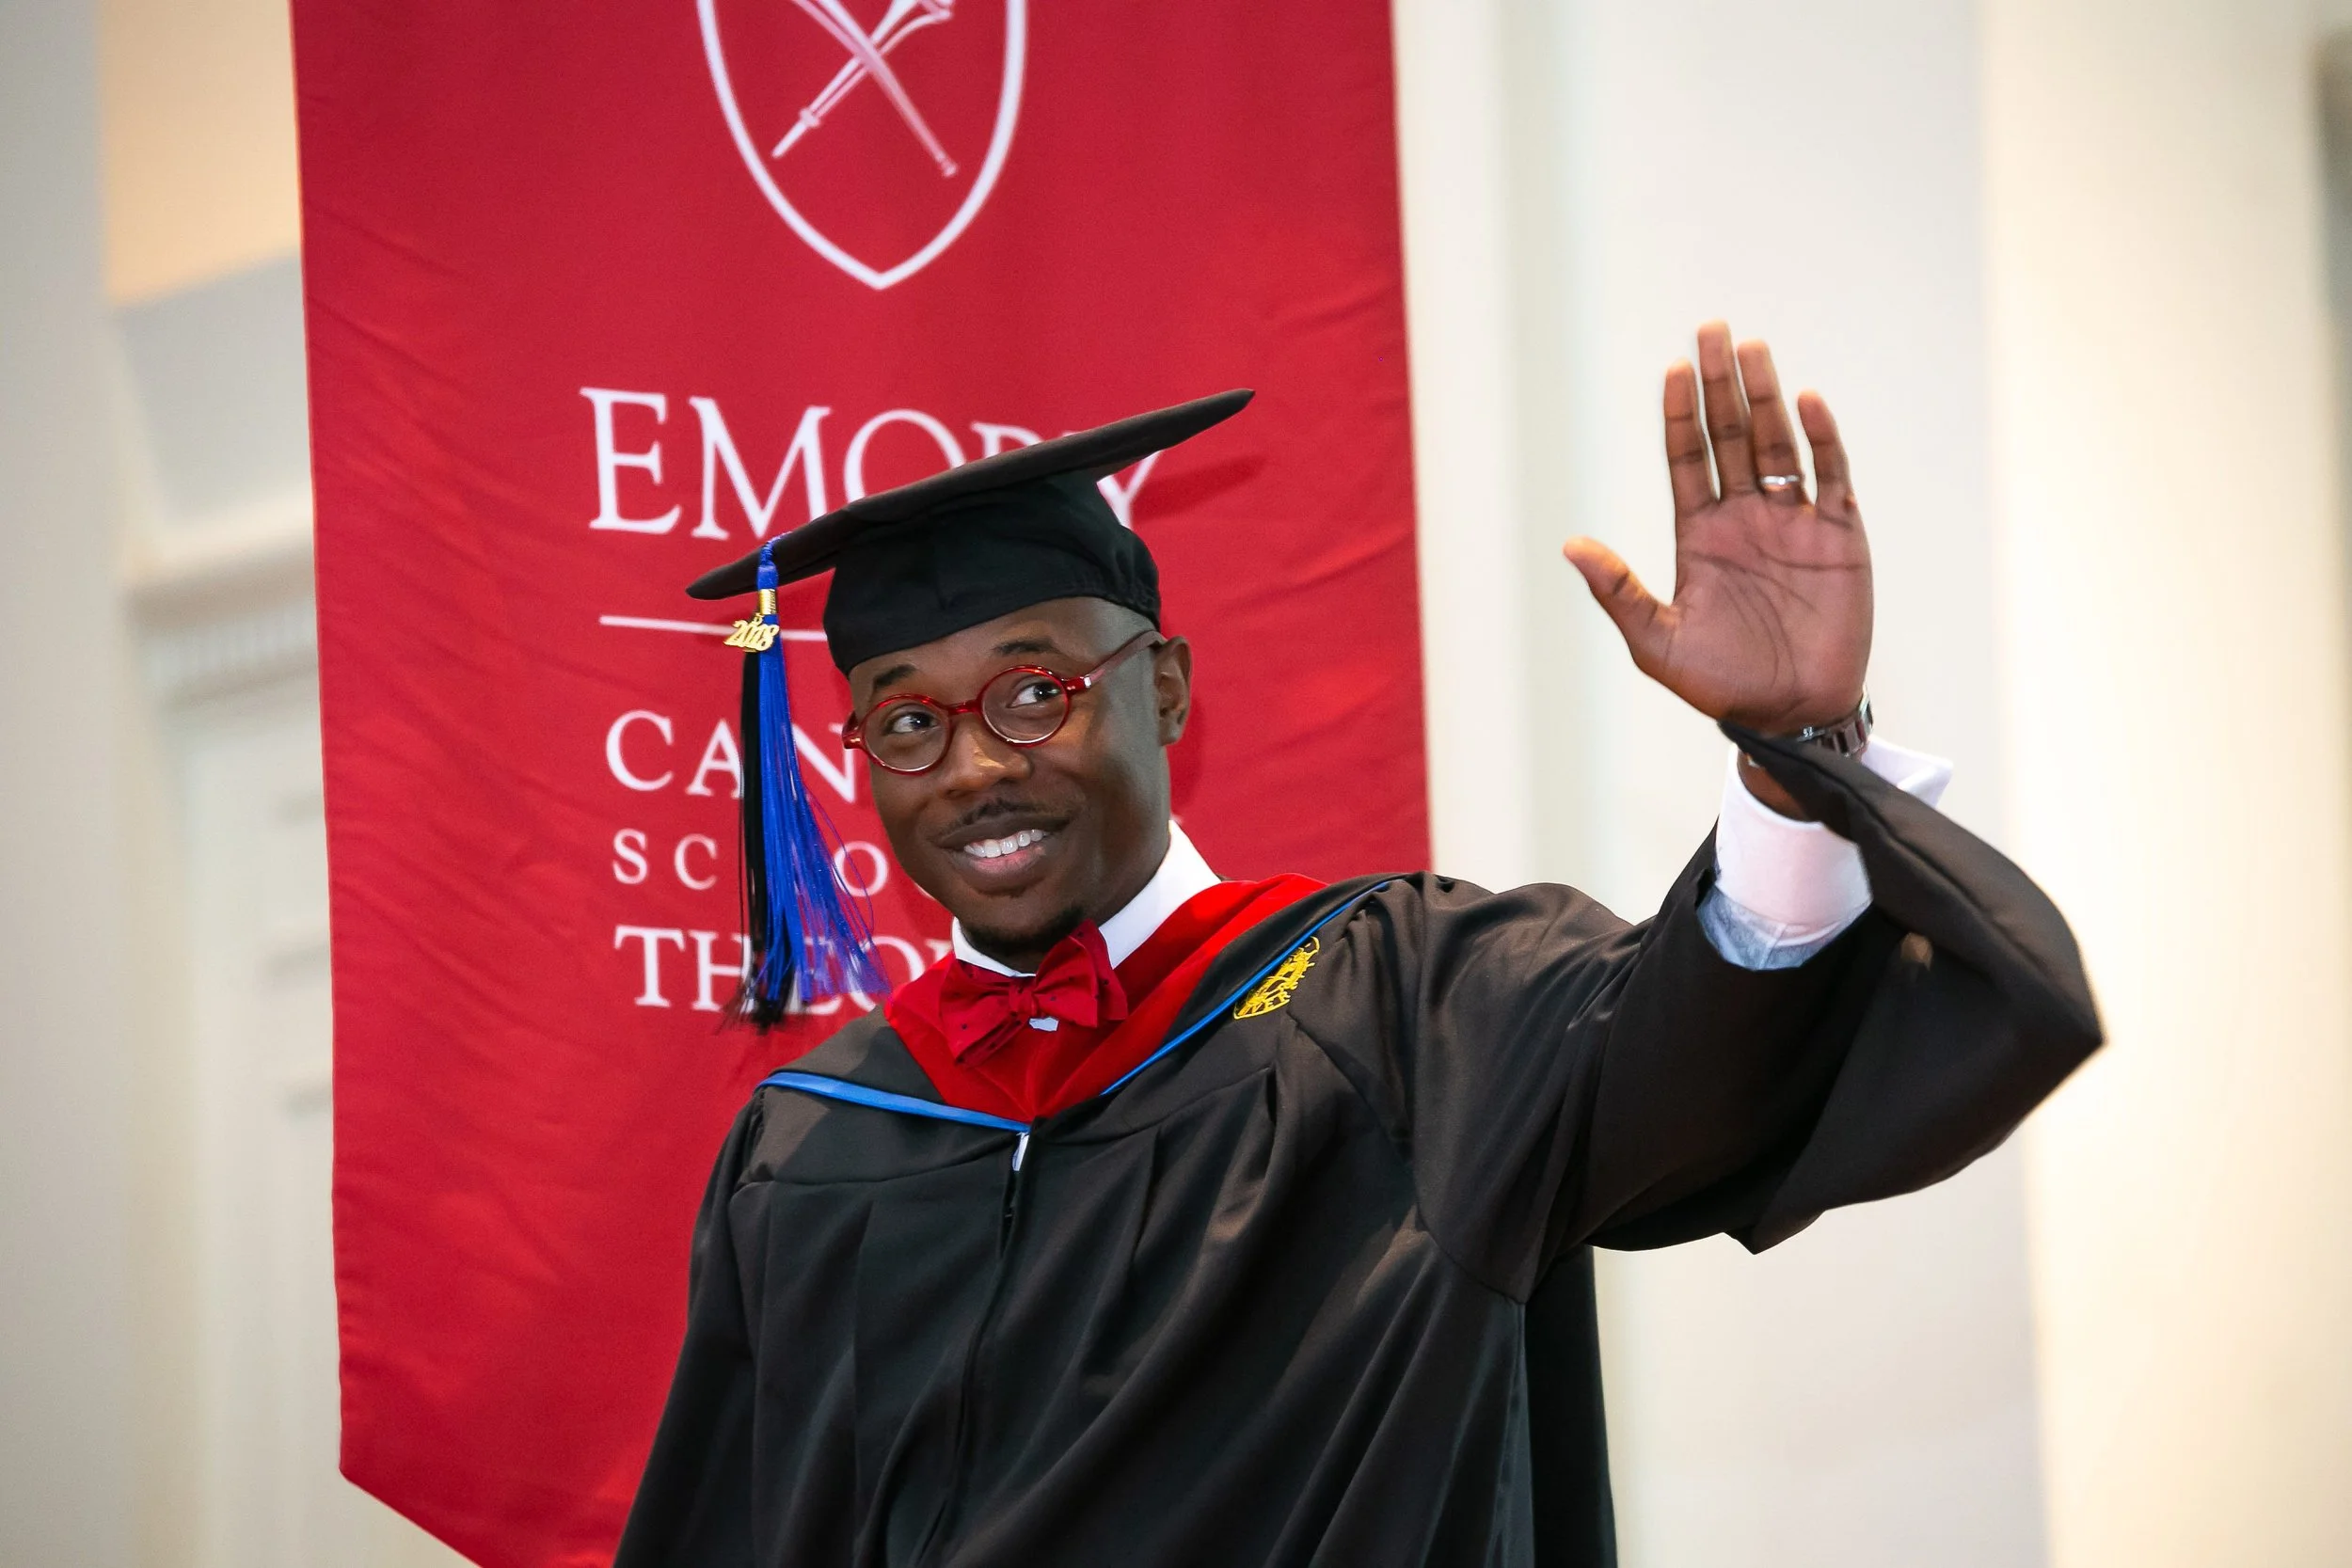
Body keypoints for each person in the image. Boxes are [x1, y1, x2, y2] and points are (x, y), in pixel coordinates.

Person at [613, 325, 2100, 1568]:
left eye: (1034, 693)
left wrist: (1792, 760)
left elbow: (1705, 1066)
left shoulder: (1410, 1006)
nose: (976, 768)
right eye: (906, 721)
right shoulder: (812, 1144)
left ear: (1165, 689)